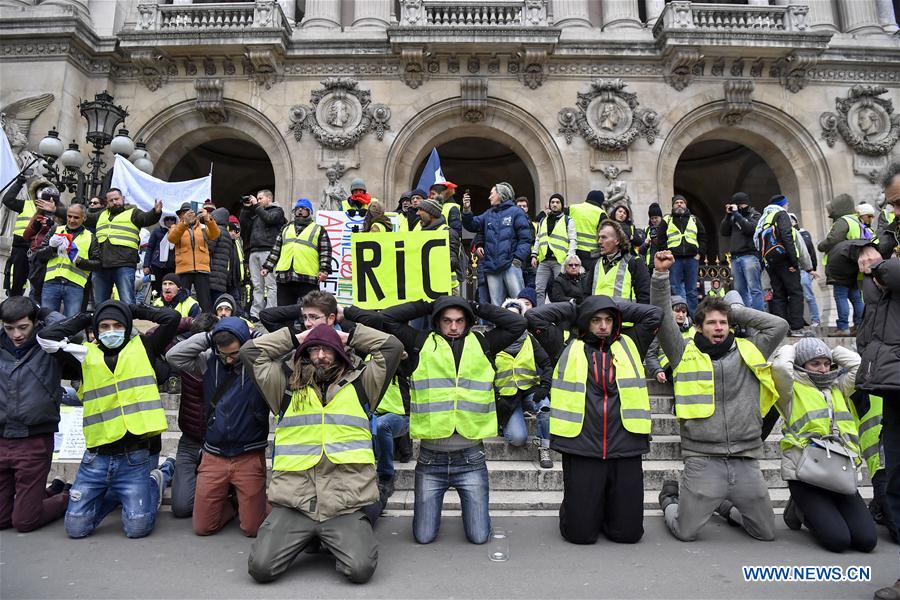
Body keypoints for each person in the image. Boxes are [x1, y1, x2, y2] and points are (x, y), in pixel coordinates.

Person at [242, 319, 403, 584]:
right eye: (314, 349)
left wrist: (349, 336)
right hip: (296, 505)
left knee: (361, 570)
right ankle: (314, 539)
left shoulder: (363, 384)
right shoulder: (283, 385)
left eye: (328, 349)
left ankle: (331, 538)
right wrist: (296, 337)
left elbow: (392, 347)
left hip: (343, 506)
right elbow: (250, 352)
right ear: (304, 353)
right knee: (261, 569)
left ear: (339, 352)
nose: (320, 356)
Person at [652, 250, 789, 543]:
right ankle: (669, 499)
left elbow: (779, 326)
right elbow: (663, 321)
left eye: (723, 323)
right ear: (699, 326)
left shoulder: (749, 350)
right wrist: (661, 277)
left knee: (765, 533)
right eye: (712, 322)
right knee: (686, 532)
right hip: (703, 459)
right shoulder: (682, 352)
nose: (719, 328)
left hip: (745, 459)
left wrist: (731, 309)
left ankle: (724, 508)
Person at [381, 296, 526, 544]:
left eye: (460, 320)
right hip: (430, 460)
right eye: (447, 320)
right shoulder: (421, 341)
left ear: (468, 321)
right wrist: (428, 305)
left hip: (471, 458)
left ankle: (471, 514)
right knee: (424, 537)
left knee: (480, 537)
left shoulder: (483, 343)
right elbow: (387, 318)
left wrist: (475, 305)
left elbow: (517, 324)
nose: (454, 327)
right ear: (438, 322)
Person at [38, 300, 180, 539]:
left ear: (126, 327)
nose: (110, 331)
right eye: (104, 326)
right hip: (97, 458)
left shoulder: (143, 346)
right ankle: (117, 493)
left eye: (117, 325)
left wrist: (132, 310)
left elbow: (172, 318)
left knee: (137, 528)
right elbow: (46, 339)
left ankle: (156, 478)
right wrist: (86, 316)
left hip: (135, 455)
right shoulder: (83, 355)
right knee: (75, 528)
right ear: (96, 329)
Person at [527, 293, 661, 544]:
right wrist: (577, 306)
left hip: (625, 443)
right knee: (580, 535)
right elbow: (535, 316)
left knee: (629, 535)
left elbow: (654, 314)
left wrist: (610, 304)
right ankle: (585, 512)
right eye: (596, 319)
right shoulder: (565, 344)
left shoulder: (631, 342)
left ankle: (607, 513)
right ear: (585, 320)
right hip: (582, 445)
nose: (602, 326)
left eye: (609, 319)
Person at [770, 338, 877, 553]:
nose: (823, 369)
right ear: (801, 365)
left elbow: (859, 366)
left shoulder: (839, 386)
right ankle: (800, 509)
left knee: (866, 541)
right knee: (838, 541)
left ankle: (822, 510)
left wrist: (832, 351)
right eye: (815, 363)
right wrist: (795, 347)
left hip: (838, 473)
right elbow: (781, 366)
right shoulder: (790, 390)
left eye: (827, 363)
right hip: (806, 474)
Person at [166, 317, 270, 537]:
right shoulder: (208, 361)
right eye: (224, 354)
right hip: (214, 455)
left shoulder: (259, 364)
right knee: (203, 527)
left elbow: (287, 353)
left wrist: (254, 337)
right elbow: (173, 356)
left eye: (234, 353)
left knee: (252, 529)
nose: (230, 360)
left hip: (248, 454)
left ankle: (252, 507)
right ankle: (232, 507)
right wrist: (209, 337)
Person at [857, 165, 900, 599]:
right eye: (891, 204)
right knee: (897, 472)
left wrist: (883, 267)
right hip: (891, 372)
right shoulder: (888, 239)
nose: (896, 211)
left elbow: (886, 278)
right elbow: (873, 288)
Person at [0, 296, 79, 532]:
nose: (16, 335)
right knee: (2, 520)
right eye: (9, 328)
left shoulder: (49, 344)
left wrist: (44, 311)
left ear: (35, 322)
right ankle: (50, 491)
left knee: (24, 521)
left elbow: (75, 334)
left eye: (23, 327)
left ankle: (67, 497)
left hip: (34, 440)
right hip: (2, 438)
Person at [161, 312, 218, 518]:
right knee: (182, 508)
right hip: (190, 442)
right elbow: (156, 336)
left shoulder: (230, 363)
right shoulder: (187, 361)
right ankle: (168, 468)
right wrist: (190, 323)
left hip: (220, 446)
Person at [496, 295, 553, 468]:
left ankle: (544, 448)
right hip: (507, 398)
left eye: (516, 316)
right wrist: (495, 397)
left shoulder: (529, 339)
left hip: (529, 392)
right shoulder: (493, 340)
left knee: (545, 405)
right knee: (518, 439)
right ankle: (504, 422)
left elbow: (546, 364)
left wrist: (545, 386)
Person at [86, 188, 163, 305]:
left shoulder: (133, 212)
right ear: (107, 203)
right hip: (101, 265)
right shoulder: (101, 215)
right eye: (111, 200)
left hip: (124, 264)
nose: (114, 202)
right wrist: (58, 210)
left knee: (127, 302)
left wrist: (155, 212)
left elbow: (146, 218)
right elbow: (83, 217)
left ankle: (127, 323)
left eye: (116, 199)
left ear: (123, 199)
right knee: (100, 304)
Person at [461, 182, 532, 306]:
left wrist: (517, 260)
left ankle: (521, 326)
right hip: (492, 268)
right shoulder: (488, 214)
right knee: (496, 306)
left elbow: (525, 239)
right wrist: (466, 209)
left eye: (491, 194)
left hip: (511, 265)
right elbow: (471, 225)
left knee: (518, 303)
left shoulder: (516, 212)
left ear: (500, 194)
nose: (489, 197)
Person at [2, 176, 66, 297]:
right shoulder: (26, 205)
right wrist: (19, 182)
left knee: (37, 286)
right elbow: (8, 200)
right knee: (17, 281)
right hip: (21, 247)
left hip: (43, 250)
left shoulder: (59, 210)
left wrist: (51, 224)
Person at [261, 198, 331, 307]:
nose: (300, 211)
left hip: (307, 278)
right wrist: (267, 267)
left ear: (310, 212)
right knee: (284, 311)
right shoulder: (285, 228)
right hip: (285, 277)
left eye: (303, 209)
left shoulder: (318, 229)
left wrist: (324, 270)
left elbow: (325, 252)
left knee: (310, 310)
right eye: (297, 209)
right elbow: (276, 250)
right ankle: (286, 325)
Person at [818, 193, 871, 334]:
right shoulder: (857, 220)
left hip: (842, 264)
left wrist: (821, 246)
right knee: (855, 296)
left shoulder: (843, 221)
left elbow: (833, 240)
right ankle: (859, 326)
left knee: (840, 295)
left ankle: (843, 327)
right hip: (854, 263)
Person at [34, 203, 99, 318]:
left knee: (71, 323)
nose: (71, 220)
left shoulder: (91, 237)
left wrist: (80, 261)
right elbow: (39, 254)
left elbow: (97, 264)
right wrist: (53, 249)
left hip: (75, 285)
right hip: (52, 282)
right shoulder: (56, 230)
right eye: (69, 216)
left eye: (76, 217)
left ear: (84, 218)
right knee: (47, 320)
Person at [755, 195, 806, 336]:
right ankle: (796, 328)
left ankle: (781, 329)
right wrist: (794, 262)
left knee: (778, 295)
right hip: (785, 260)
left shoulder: (764, 218)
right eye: (787, 204)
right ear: (783, 205)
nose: (787, 207)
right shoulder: (781, 214)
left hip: (771, 261)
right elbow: (787, 236)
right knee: (795, 292)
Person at [240, 189, 286, 320]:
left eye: (260, 198)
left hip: (269, 251)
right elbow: (244, 225)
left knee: (271, 284)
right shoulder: (257, 213)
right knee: (257, 285)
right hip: (254, 251)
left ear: (269, 199)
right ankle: (256, 313)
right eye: (257, 199)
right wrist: (246, 209)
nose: (258, 201)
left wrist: (256, 206)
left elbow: (269, 219)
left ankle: (270, 312)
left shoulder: (277, 211)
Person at [658, 195, 706, 315]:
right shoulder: (667, 220)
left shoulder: (694, 219)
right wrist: (667, 253)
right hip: (674, 259)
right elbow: (661, 238)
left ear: (685, 205)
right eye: (676, 203)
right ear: (673, 206)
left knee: (692, 291)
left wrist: (700, 253)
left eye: (682, 202)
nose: (679, 204)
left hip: (691, 258)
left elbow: (703, 236)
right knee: (675, 288)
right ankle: (679, 316)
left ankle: (692, 318)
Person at [167, 201, 220, 312]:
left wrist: (207, 218)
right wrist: (184, 223)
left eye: (190, 212)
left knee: (204, 300)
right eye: (184, 213)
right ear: (180, 215)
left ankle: (206, 323)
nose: (188, 214)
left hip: (202, 268)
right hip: (183, 269)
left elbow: (215, 234)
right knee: (182, 298)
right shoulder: (175, 227)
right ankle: (180, 321)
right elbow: (172, 238)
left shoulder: (203, 227)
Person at [583, 219, 650, 304]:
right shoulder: (596, 264)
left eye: (604, 237)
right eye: (599, 237)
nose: (599, 241)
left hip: (625, 316)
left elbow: (644, 298)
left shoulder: (634, 263)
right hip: (598, 315)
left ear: (617, 240)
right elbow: (587, 294)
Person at [720, 192, 764, 311]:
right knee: (740, 291)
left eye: (740, 205)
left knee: (754, 288)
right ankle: (747, 321)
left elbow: (750, 229)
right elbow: (724, 231)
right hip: (735, 258)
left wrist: (737, 215)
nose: (739, 208)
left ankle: (759, 317)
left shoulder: (755, 215)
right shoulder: (733, 217)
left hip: (750, 256)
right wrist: (728, 215)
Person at [531, 193, 577, 305]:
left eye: (557, 202)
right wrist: (534, 255)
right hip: (544, 261)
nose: (555, 204)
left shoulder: (568, 220)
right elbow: (538, 239)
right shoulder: (543, 220)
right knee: (539, 289)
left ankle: (559, 314)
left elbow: (573, 239)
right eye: (552, 202)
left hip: (560, 261)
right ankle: (540, 314)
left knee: (560, 290)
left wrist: (570, 257)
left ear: (562, 205)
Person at [415, 198, 462, 293]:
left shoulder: (448, 233)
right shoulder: (420, 233)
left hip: (447, 290)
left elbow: (452, 263)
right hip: (426, 289)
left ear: (431, 214)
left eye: (421, 210)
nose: (417, 213)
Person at [645, 295, 692, 385]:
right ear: (670, 312)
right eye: (677, 311)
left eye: (684, 311)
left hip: (690, 368)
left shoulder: (694, 329)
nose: (681, 315)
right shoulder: (660, 330)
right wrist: (657, 370)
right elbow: (650, 354)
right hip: (668, 369)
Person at [789, 212, 821, 327]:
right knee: (796, 297)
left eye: (792, 220)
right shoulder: (785, 234)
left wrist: (812, 268)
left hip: (803, 269)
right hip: (792, 270)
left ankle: (815, 320)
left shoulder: (803, 234)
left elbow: (810, 251)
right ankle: (799, 320)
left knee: (808, 296)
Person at [569, 190, 608, 267]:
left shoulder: (572, 208)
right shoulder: (601, 213)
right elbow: (605, 235)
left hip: (572, 249)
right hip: (592, 253)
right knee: (589, 277)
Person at [207, 207, 236, 307]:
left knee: (209, 303)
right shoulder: (227, 234)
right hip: (221, 276)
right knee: (217, 302)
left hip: (212, 274)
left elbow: (209, 249)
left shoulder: (216, 231)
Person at [142, 215, 177, 298]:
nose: (169, 221)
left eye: (172, 219)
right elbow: (150, 248)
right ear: (163, 221)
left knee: (170, 289)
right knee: (156, 290)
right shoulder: (157, 231)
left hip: (172, 266)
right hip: (157, 265)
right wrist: (146, 265)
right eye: (167, 219)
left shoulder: (178, 232)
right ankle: (155, 307)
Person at [638, 202, 665, 273]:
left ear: (661, 217)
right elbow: (640, 251)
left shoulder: (666, 228)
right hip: (649, 266)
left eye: (656, 218)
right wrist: (646, 244)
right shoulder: (646, 230)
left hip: (663, 263)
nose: (654, 220)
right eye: (652, 218)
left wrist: (659, 240)